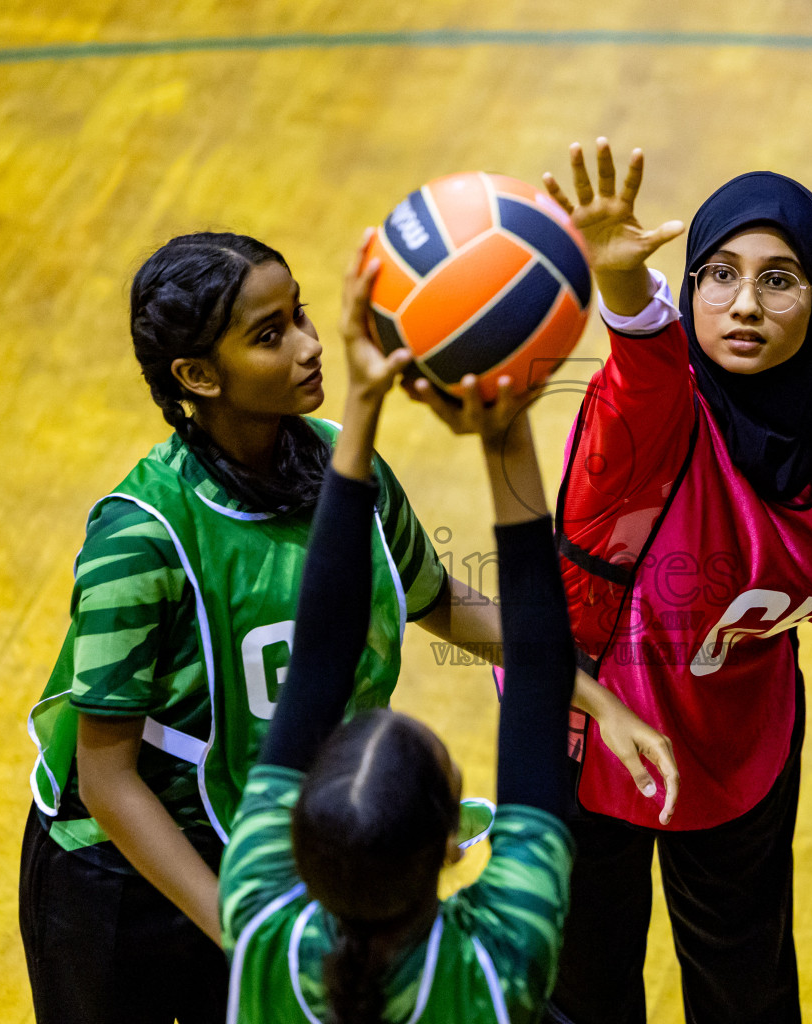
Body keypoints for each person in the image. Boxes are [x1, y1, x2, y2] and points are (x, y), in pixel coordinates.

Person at [19, 231, 500, 1024]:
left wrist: (579, 674)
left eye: (301, 315)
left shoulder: (351, 472)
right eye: (271, 335)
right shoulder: (138, 536)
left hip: (260, 847)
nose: (312, 347)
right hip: (119, 879)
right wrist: (244, 934)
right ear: (199, 376)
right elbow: (107, 781)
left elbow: (432, 593)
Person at [538, 140, 812, 1023]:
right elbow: (643, 364)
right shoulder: (652, 411)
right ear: (688, 289)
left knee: (746, 985)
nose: (744, 305)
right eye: (719, 274)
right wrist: (623, 286)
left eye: (780, 279)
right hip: (583, 727)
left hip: (741, 728)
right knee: (585, 988)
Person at [219, 240, 575, 1024]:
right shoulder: (497, 966)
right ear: (454, 847)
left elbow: (318, 658)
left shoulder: (259, 926)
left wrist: (361, 409)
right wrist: (503, 433)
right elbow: (543, 674)